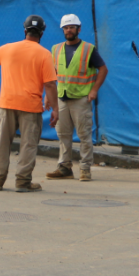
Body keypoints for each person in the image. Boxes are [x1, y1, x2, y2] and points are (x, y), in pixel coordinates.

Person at [0, 15, 58, 193]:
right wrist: (55, 108)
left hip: (7, 102)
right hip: (30, 106)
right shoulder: (44, 54)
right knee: (28, 144)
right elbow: (49, 83)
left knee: (2, 142)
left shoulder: (8, 49)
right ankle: (22, 182)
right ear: (41, 33)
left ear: (24, 31)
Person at [45, 13, 108, 182]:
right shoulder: (56, 49)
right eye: (66, 27)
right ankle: (64, 168)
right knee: (63, 134)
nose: (68, 30)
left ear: (78, 29)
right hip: (62, 98)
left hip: (81, 99)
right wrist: (48, 97)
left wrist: (94, 90)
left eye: (72, 27)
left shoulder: (88, 49)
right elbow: (52, 74)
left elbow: (103, 69)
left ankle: (85, 168)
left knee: (84, 135)